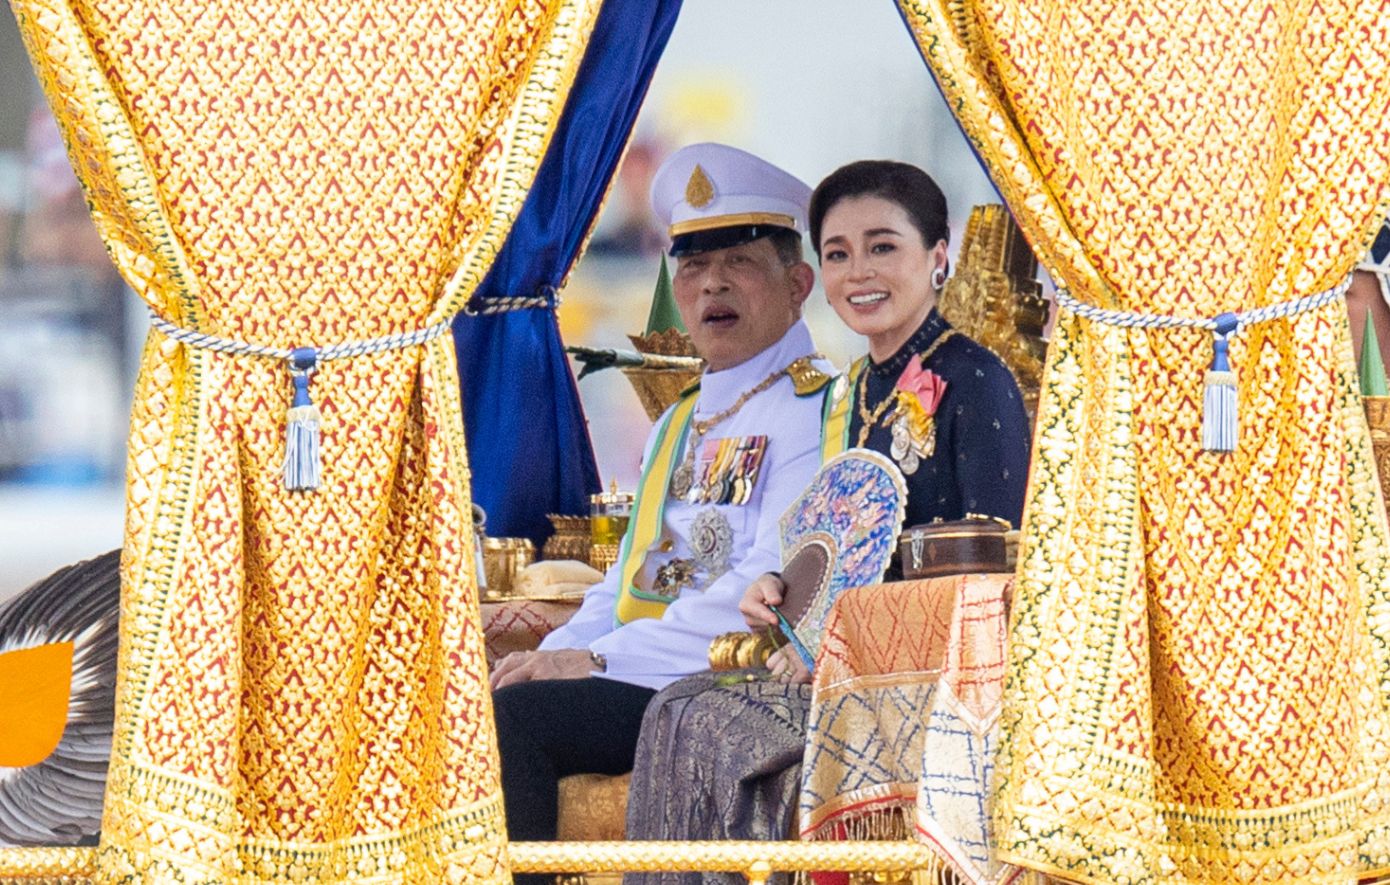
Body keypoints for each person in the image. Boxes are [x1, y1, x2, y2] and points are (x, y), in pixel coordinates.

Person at [623, 160, 1032, 883]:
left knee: (708, 723)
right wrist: (780, 595)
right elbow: (837, 547)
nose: (858, 272)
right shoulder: (854, 391)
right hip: (844, 671)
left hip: (933, 685)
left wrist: (847, 638)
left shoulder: (976, 380)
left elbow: (999, 576)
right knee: (675, 708)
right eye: (839, 253)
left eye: (883, 247)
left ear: (937, 257)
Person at [489, 143, 834, 877]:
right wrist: (554, 656)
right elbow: (625, 585)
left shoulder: (818, 409)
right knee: (487, 695)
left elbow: (764, 591)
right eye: (693, 265)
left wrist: (598, 660)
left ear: (798, 282)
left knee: (512, 724)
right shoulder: (680, 420)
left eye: (739, 261)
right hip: (638, 670)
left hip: (720, 680)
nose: (713, 284)